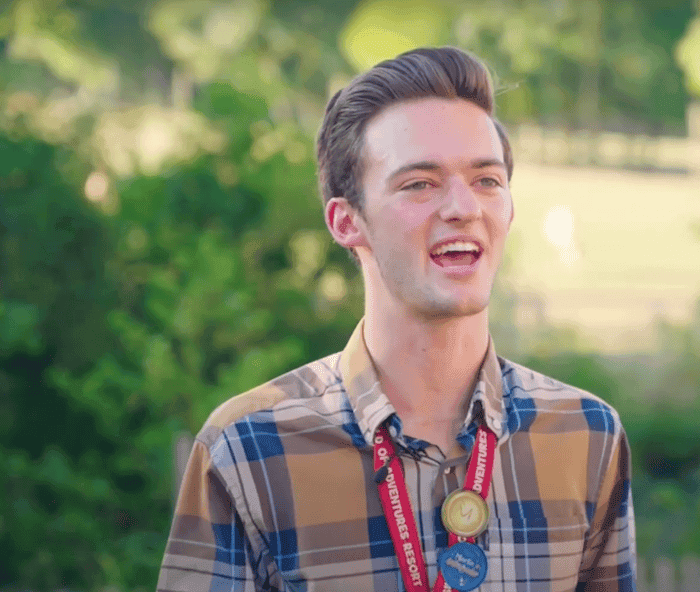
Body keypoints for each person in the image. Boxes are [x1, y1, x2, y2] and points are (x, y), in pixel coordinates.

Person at [157, 46, 636, 592]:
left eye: (487, 180)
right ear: (346, 221)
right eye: (419, 184)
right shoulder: (246, 450)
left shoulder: (586, 436)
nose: (463, 208)